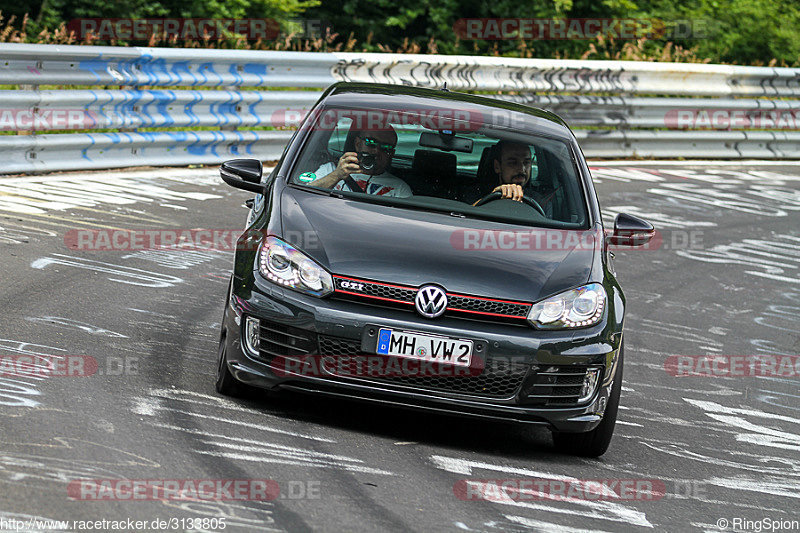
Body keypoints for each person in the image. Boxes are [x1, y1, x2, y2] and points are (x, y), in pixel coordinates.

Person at [307, 126, 412, 198]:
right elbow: (305, 195)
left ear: (391, 154)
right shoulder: (330, 169)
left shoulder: (400, 188)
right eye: (370, 143)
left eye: (386, 147)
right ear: (357, 144)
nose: (376, 151)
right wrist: (337, 175)